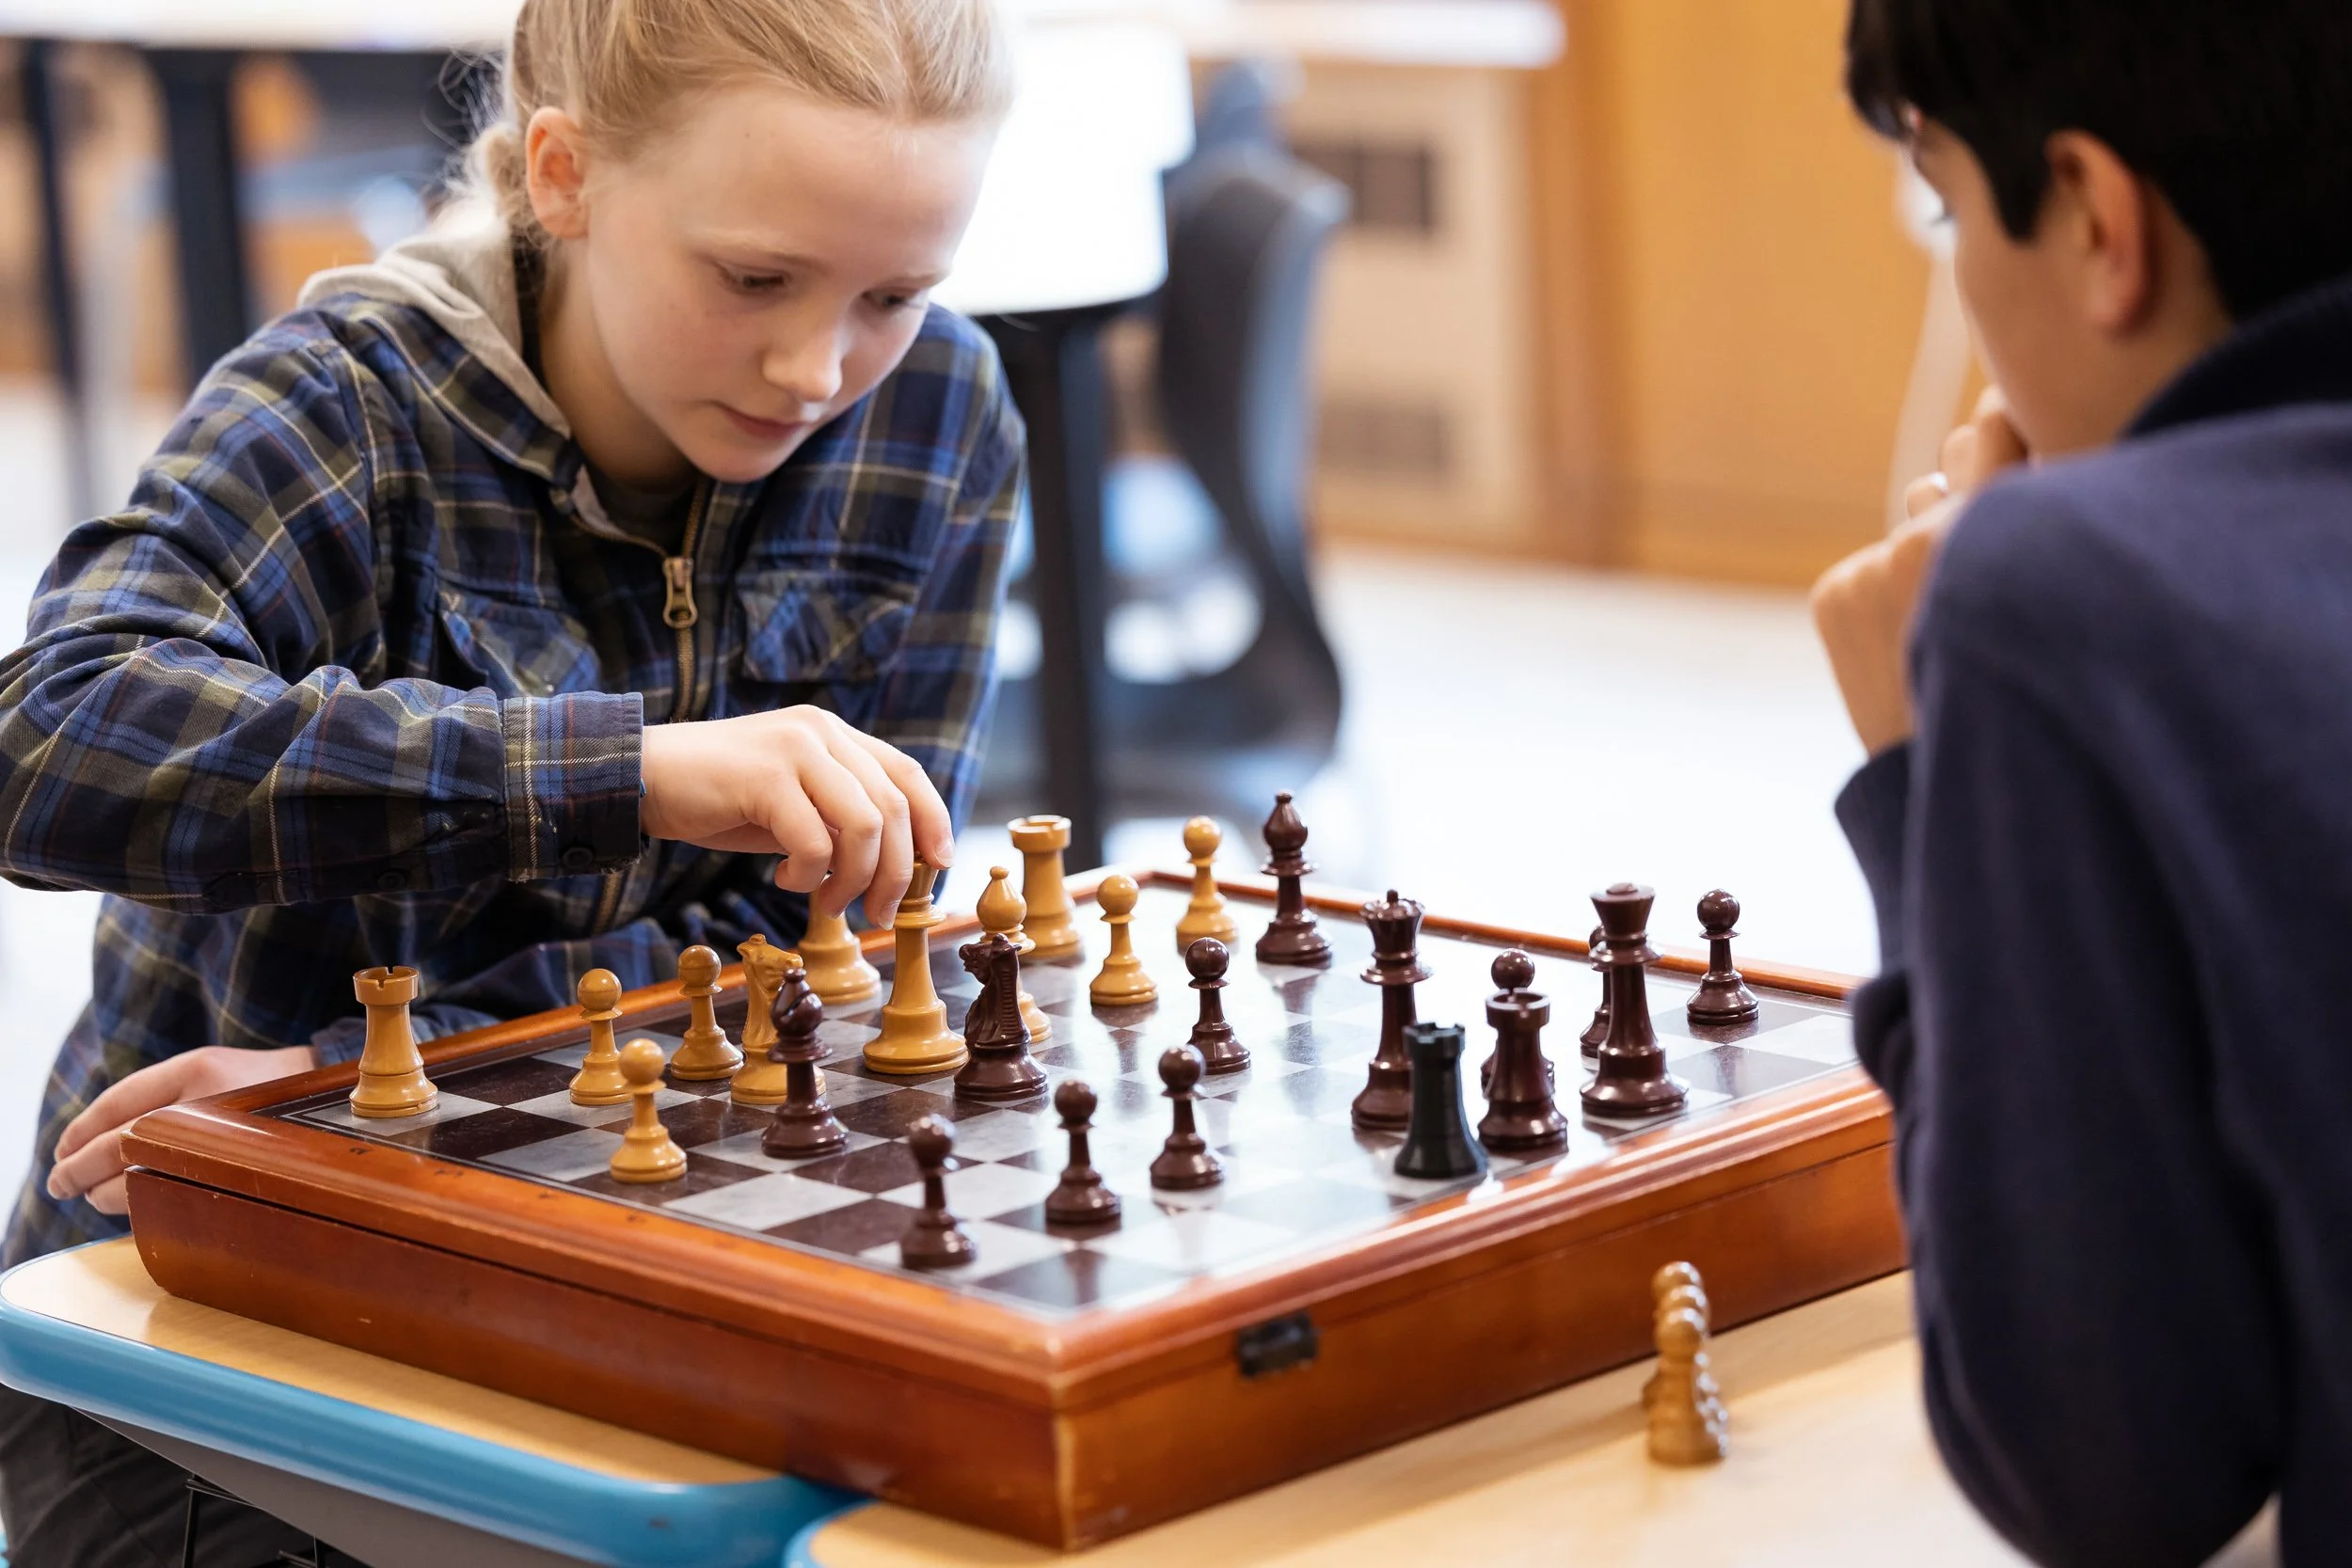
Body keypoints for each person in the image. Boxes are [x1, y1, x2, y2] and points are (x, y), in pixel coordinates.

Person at [0, 0, 1023, 1560]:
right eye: (753, 275)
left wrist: (383, 1095)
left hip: (614, 1239)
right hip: (194, 1299)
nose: (818, 364)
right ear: (565, 172)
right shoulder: (338, 403)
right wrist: (621, 773)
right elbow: (45, 735)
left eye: (893, 291)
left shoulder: (941, 418)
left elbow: (812, 956)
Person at [1810, 1, 2352, 1563]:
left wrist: (1922, 773)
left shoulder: (2056, 596)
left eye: (1947, 203)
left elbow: (2109, 1476)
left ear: (2102, 222)